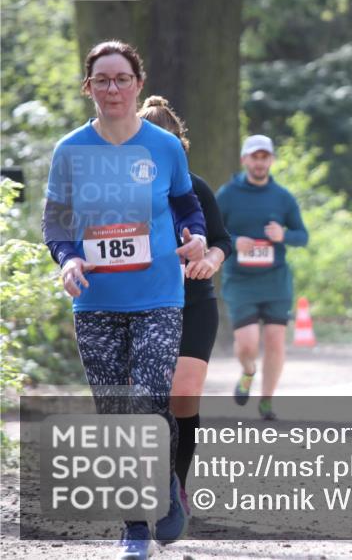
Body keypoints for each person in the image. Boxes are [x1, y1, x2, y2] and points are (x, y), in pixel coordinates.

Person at [43, 41, 207, 560]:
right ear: (88, 87)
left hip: (159, 294)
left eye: (121, 78)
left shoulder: (164, 147)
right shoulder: (71, 149)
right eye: (101, 80)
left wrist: (197, 236)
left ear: (138, 83)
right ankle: (135, 528)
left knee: (152, 398)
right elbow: (56, 221)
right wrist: (68, 259)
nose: (112, 88)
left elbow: (186, 203)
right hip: (96, 302)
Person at [138, 96, 233, 516]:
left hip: (194, 302)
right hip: (139, 306)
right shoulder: (118, 193)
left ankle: (177, 485)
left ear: (180, 147)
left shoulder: (196, 189)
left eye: (170, 144)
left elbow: (222, 239)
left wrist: (210, 259)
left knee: (185, 393)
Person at [216, 134, 308, 421]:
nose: (259, 162)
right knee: (247, 343)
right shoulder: (227, 195)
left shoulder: (282, 197)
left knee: (275, 341)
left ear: (271, 160)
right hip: (240, 280)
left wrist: (284, 235)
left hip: (275, 280)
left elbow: (302, 236)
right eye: (254, 157)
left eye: (264, 156)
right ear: (244, 160)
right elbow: (210, 232)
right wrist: (234, 240)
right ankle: (248, 371)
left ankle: (267, 401)